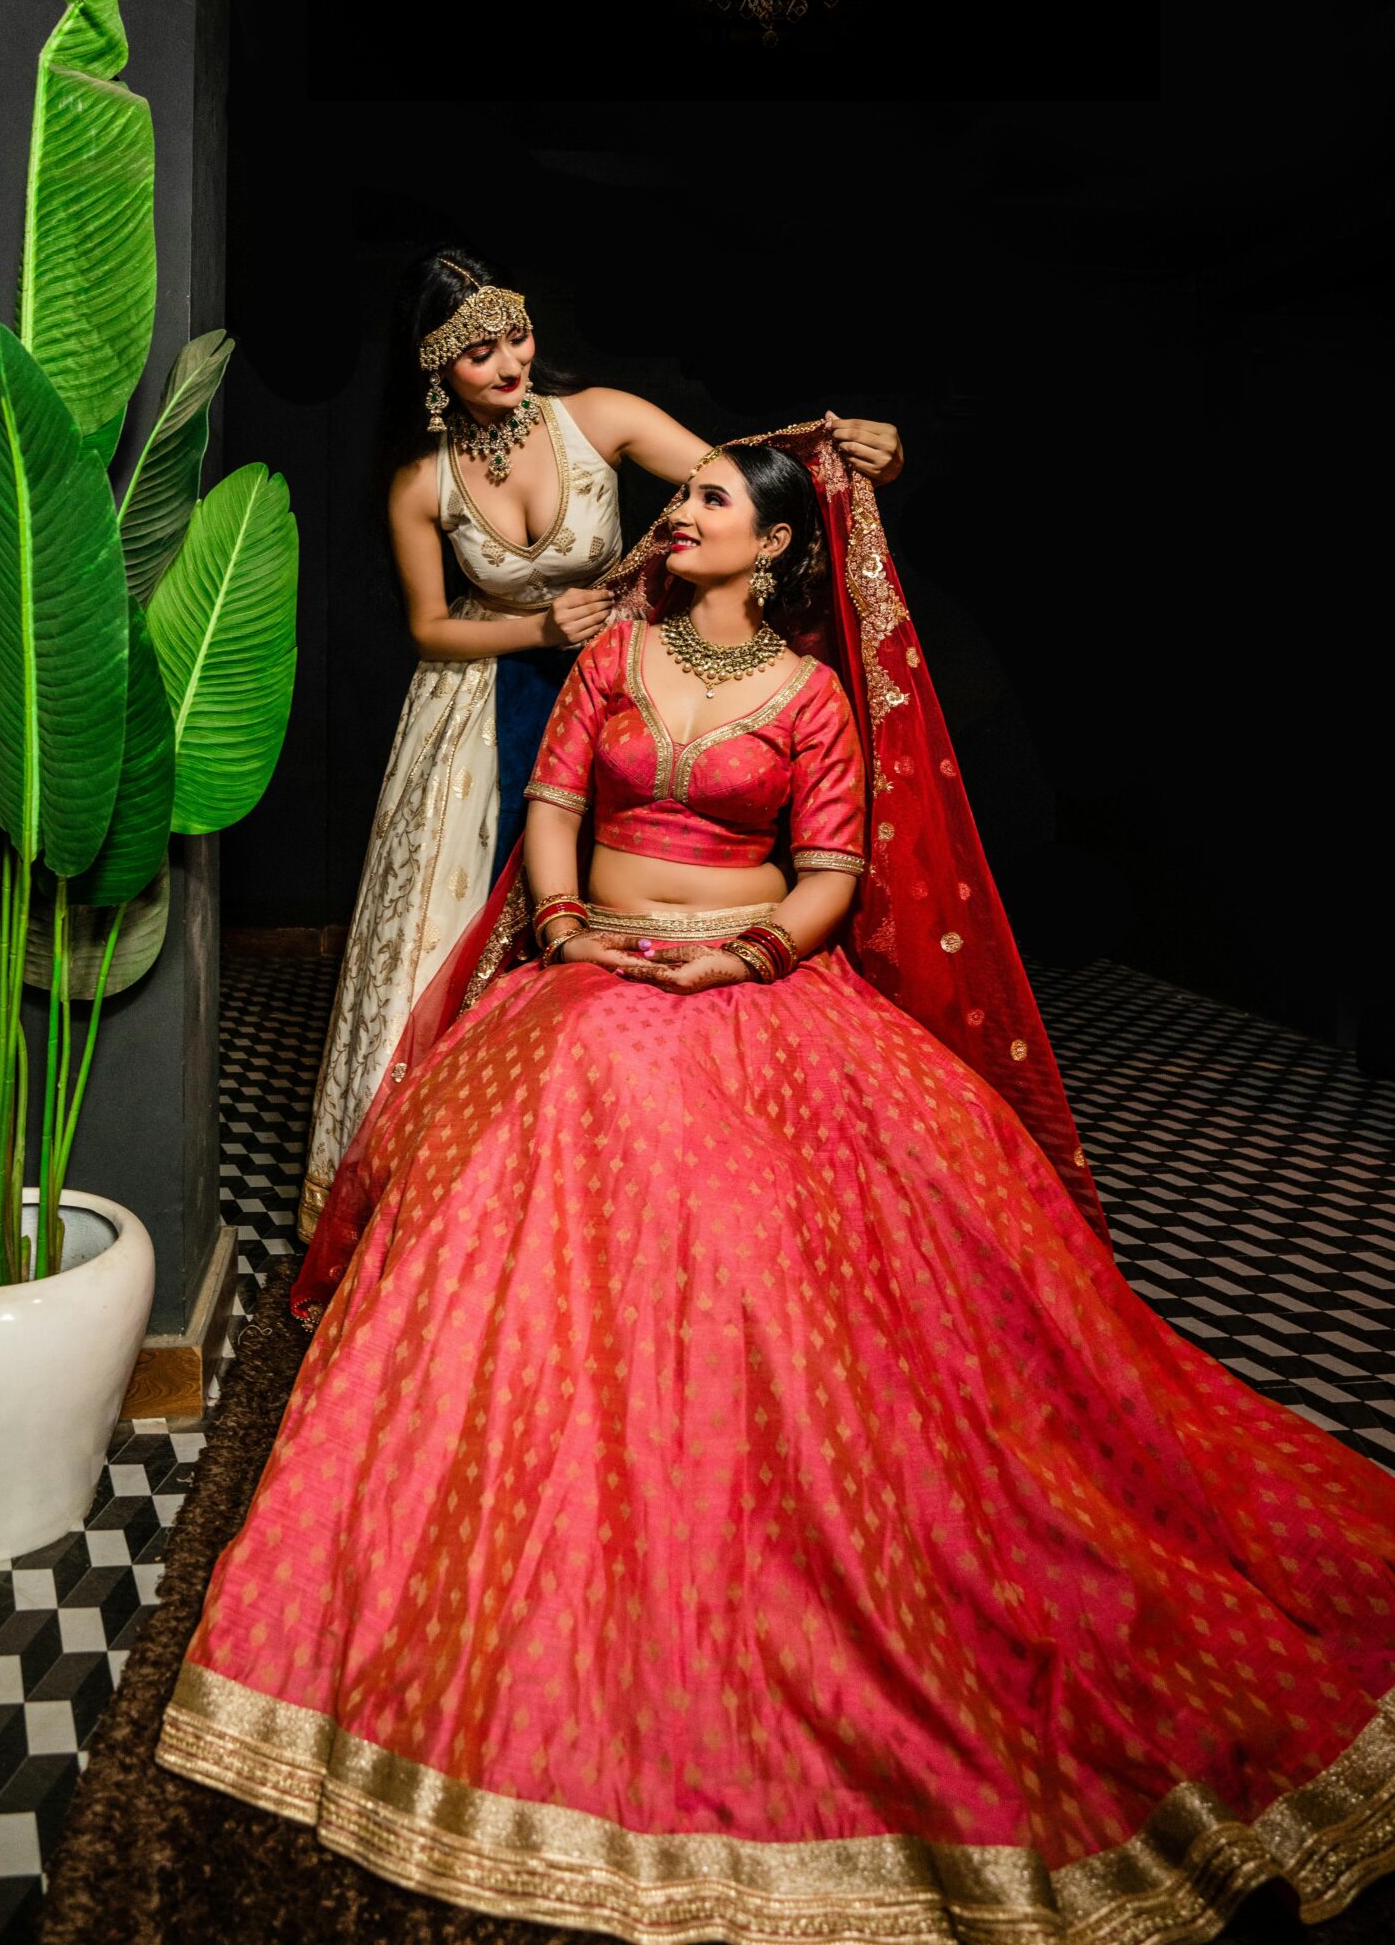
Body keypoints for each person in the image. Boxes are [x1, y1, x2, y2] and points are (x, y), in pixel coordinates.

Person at [158, 436, 1395, 1943]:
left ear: (779, 547)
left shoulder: (811, 696)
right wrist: (565, 923)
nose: (679, 512)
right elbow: (551, 803)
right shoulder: (614, 654)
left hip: (756, 982)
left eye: (713, 500)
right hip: (594, 969)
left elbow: (832, 872)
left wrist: (742, 956)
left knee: (792, 1255)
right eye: (681, 494)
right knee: (561, 1110)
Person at [297, 247, 905, 1241]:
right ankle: (426, 1202)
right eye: (479, 353)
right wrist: (539, 629)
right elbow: (429, 627)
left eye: (517, 337)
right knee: (445, 943)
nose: (510, 364)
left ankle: (602, 1185)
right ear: (434, 368)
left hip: (625, 685)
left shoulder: (599, 418)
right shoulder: (421, 479)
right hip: (477, 705)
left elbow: (747, 485)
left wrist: (858, 453)